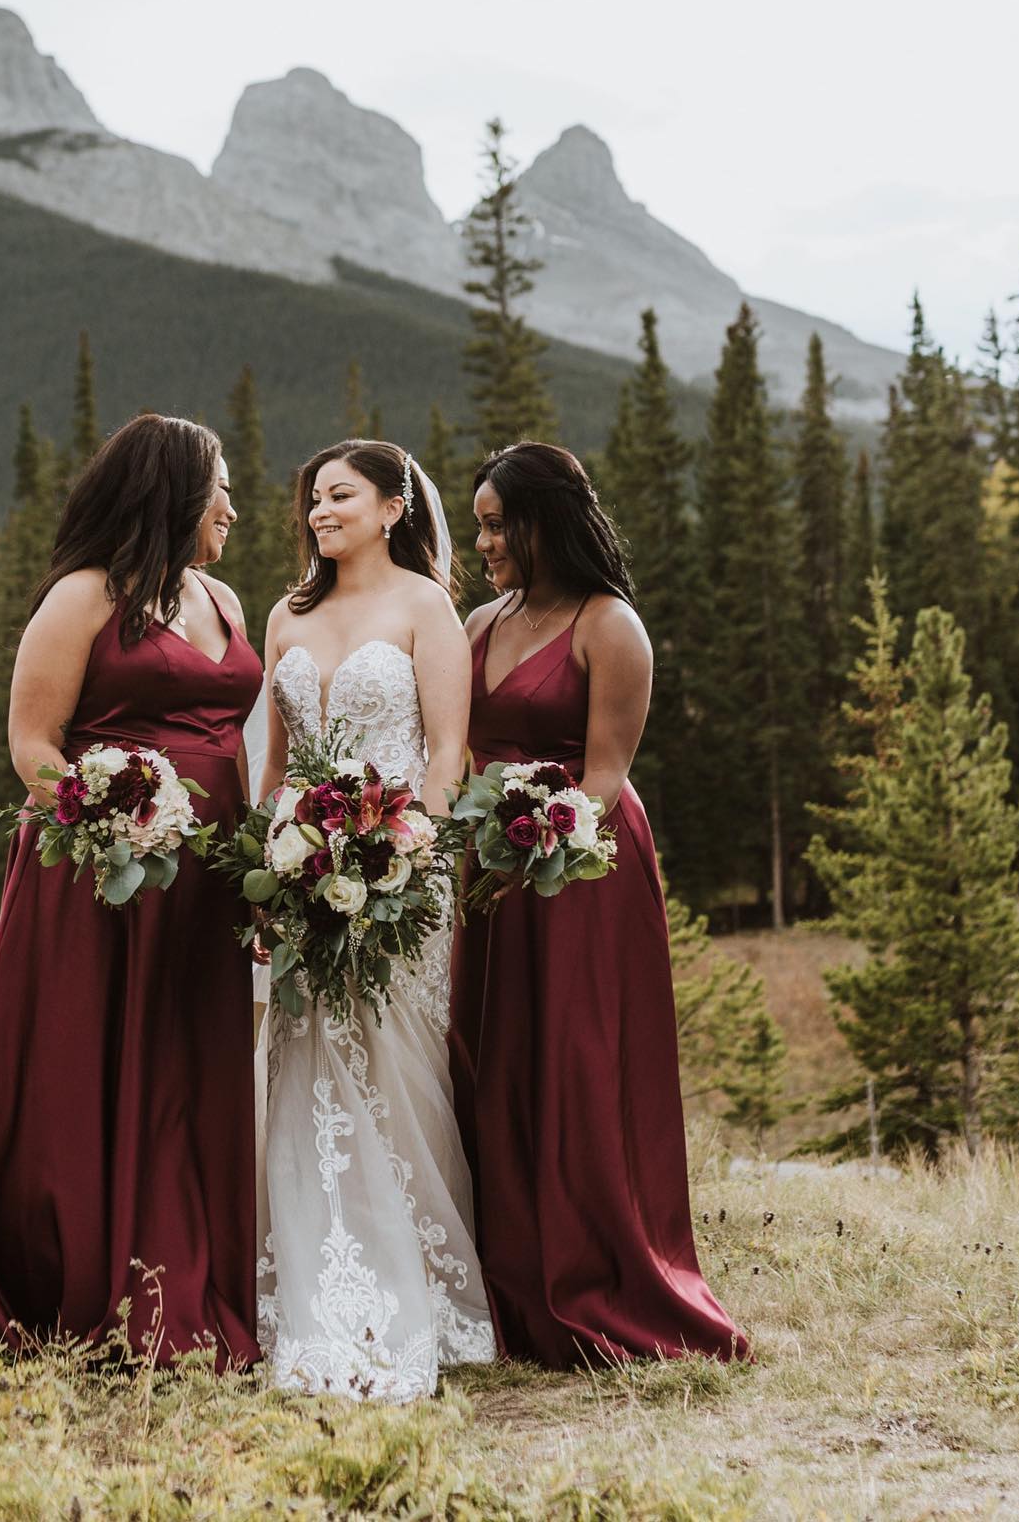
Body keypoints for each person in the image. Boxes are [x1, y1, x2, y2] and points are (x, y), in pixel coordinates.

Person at [0, 414, 263, 1369]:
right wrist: (112, 813)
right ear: (174, 494)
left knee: (191, 1071)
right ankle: (77, 1276)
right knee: (91, 1063)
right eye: (220, 487)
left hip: (207, 885)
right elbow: (33, 743)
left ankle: (188, 1276)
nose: (233, 506)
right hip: (100, 875)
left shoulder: (223, 597)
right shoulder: (82, 597)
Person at [449, 440, 748, 1368]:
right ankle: (507, 1277)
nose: (486, 543)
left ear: (544, 522)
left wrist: (534, 838)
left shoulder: (609, 625)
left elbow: (609, 775)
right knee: (492, 1062)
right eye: (480, 527)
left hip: (583, 868)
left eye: (499, 525)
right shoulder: (476, 626)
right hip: (491, 873)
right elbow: (457, 751)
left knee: (576, 1064)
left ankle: (597, 1271)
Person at [253, 439, 495, 1401]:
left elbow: (445, 759)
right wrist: (273, 862)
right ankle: (298, 1270)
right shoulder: (284, 615)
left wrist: (404, 858)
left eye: (341, 496)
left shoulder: (425, 608)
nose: (320, 511)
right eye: (313, 498)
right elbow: (273, 770)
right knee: (301, 1063)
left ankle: (420, 1280)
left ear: (394, 507)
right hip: (298, 874)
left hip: (400, 876)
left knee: (395, 1070)